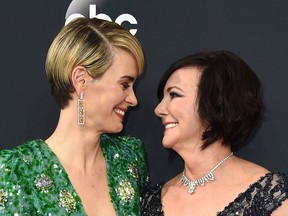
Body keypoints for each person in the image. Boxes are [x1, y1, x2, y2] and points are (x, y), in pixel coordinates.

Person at [0, 17, 148, 215]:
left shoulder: (130, 158)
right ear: (81, 80)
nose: (133, 99)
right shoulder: (14, 173)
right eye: (124, 85)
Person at [141, 50, 288, 215]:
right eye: (161, 98)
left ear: (216, 104)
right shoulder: (150, 201)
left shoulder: (270, 197)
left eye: (174, 94)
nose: (158, 109)